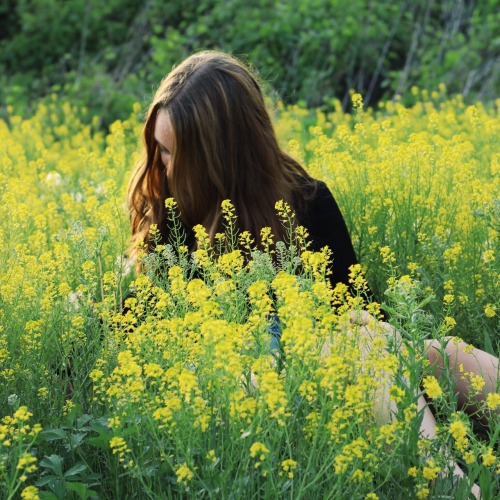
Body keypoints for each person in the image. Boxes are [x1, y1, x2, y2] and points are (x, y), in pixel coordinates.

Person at [127, 50, 497, 496]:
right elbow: (142, 338)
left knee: (439, 353)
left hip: (325, 375)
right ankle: (450, 488)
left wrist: (348, 341)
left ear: (219, 155)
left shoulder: (306, 201)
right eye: (158, 149)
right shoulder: (167, 216)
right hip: (233, 395)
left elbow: (362, 312)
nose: (159, 165)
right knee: (367, 346)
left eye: (170, 153)